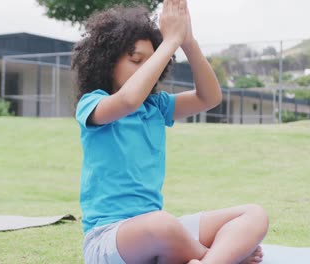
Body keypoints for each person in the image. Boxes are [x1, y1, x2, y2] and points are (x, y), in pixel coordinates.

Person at [73, 0, 269, 263]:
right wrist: (169, 42)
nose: (147, 70)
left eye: (152, 62)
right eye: (136, 60)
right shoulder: (93, 103)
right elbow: (128, 100)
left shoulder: (156, 106)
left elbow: (209, 97)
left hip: (159, 233)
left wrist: (186, 41)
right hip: (108, 240)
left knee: (254, 214)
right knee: (162, 225)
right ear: (107, 62)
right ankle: (225, 258)